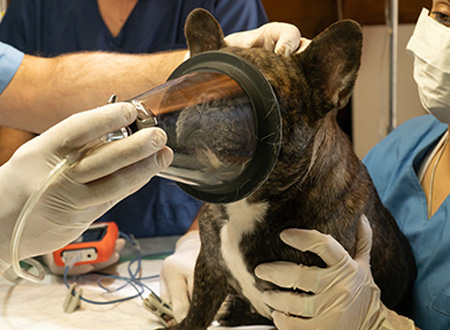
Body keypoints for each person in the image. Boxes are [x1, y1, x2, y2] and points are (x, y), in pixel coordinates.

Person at [160, 1, 450, 329]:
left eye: (257, 102)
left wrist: (374, 323)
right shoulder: (401, 146)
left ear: (329, 87)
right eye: (444, 15)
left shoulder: (336, 197)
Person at [0, 21, 304, 276]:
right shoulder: (36, 8)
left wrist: (196, 244)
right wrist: (14, 232)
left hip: (179, 234)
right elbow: (25, 95)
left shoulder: (232, 5)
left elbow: (31, 84)